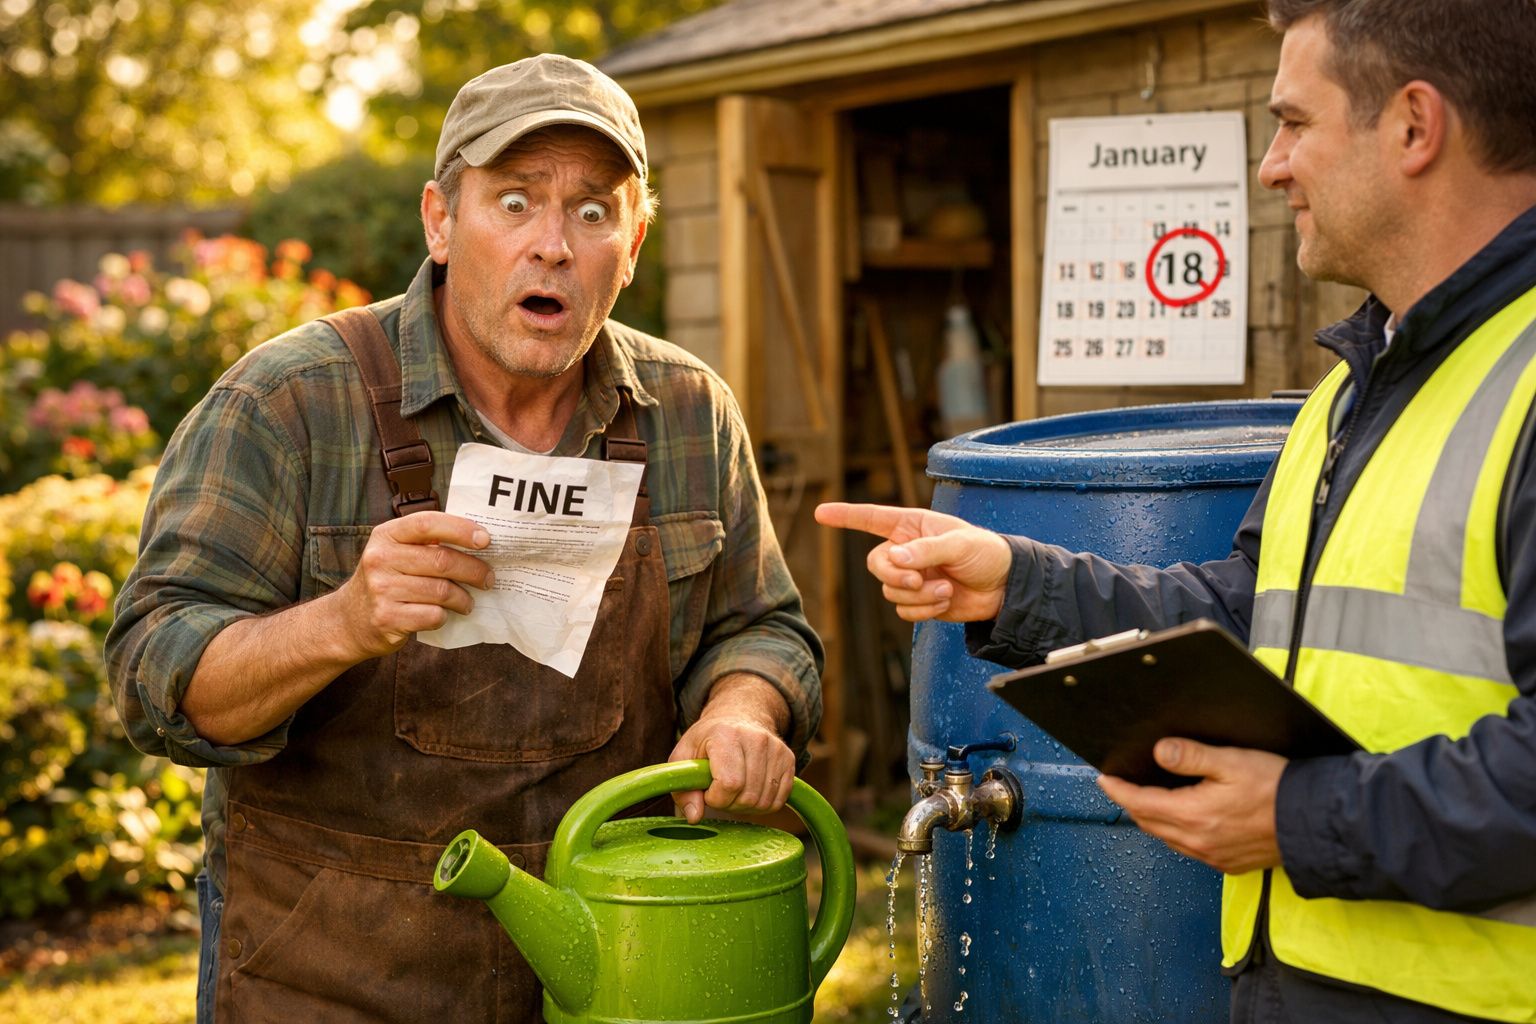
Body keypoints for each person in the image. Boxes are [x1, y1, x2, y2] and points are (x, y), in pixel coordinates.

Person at [818, 1, 1536, 1020]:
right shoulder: (1355, 388)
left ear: (1415, 126)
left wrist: (1296, 817)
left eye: (1294, 122)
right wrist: (1017, 582)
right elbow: (1244, 613)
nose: (1271, 166)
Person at [106, 54, 822, 1023]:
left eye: (593, 212)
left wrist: (743, 709)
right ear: (440, 221)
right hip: (329, 978)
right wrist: (342, 623)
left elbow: (761, 626)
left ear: (634, 244)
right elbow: (153, 675)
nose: (553, 247)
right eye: (515, 203)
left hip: (618, 970)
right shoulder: (286, 405)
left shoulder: (688, 412)